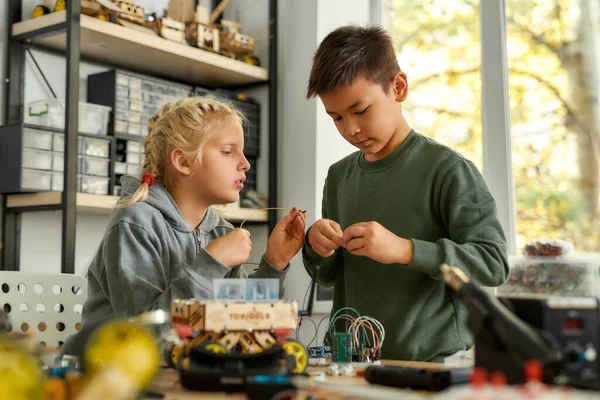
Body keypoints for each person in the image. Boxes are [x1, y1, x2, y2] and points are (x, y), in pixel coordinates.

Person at [302, 25, 509, 362]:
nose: (350, 129)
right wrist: (315, 247)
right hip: (351, 366)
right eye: (336, 117)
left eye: (360, 110)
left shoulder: (448, 170)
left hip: (431, 367)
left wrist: (405, 250)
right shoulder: (339, 176)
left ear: (398, 87)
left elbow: (493, 264)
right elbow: (327, 276)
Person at [80, 96, 305, 329]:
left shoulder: (221, 232)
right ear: (183, 161)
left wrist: (274, 262)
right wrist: (212, 263)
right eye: (228, 151)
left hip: (186, 363)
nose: (245, 163)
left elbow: (241, 321)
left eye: (243, 152)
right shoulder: (135, 224)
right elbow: (144, 334)